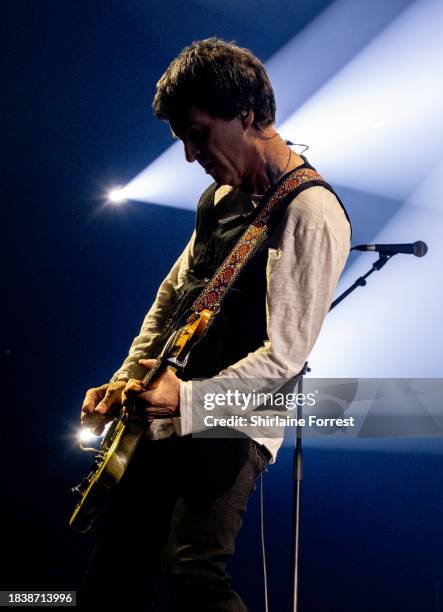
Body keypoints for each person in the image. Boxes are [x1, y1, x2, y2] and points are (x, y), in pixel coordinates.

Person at [79, 37, 351, 610]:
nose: (189, 154)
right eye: (181, 138)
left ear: (247, 115)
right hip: (168, 408)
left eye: (198, 133)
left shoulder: (310, 210)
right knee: (112, 567)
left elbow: (284, 356)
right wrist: (127, 378)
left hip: (233, 419)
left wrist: (188, 398)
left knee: (191, 571)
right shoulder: (220, 199)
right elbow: (174, 294)